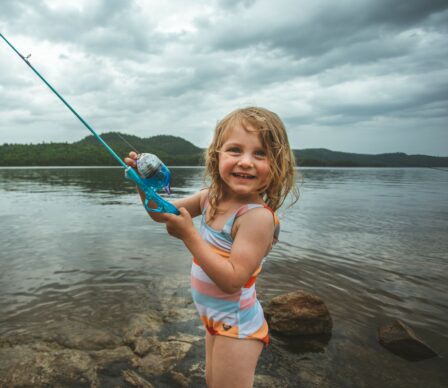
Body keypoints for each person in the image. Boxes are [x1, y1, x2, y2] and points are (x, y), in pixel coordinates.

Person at [125, 107, 298, 388]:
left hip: (238, 327)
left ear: (277, 164)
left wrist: (189, 236)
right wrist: (142, 184)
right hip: (215, 321)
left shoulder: (256, 217)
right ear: (216, 155)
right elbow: (160, 213)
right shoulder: (210, 198)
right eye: (234, 150)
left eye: (260, 154)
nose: (245, 162)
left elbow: (232, 280)